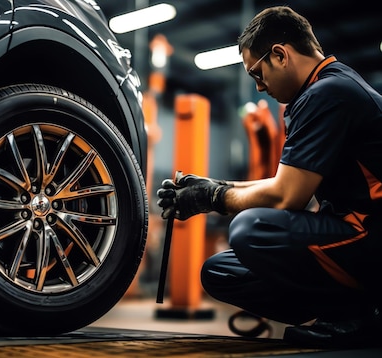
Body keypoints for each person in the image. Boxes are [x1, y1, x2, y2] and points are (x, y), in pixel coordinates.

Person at [157, 5, 382, 348]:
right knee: (220, 271)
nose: (259, 87)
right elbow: (285, 185)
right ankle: (348, 315)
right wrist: (211, 186)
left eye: (257, 74)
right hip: (354, 233)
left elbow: (286, 197)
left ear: (279, 55)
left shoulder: (329, 94)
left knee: (252, 229)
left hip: (370, 235)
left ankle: (357, 316)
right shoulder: (325, 89)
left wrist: (212, 198)